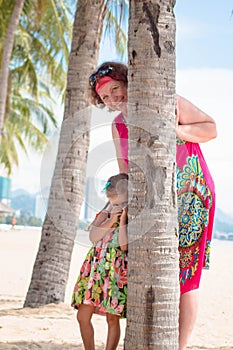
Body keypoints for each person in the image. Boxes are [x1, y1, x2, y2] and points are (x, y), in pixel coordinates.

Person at [88, 61, 217, 350]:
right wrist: (117, 206)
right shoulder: (117, 125)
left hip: (192, 192)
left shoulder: (167, 100)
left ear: (127, 82)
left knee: (186, 275)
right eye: (105, 97)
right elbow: (124, 171)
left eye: (115, 90)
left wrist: (176, 130)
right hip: (150, 201)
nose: (112, 100)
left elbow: (211, 128)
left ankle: (180, 347)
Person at [71, 173, 128, 350]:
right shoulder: (105, 214)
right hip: (95, 270)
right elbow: (93, 236)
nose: (117, 206)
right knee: (82, 316)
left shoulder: (128, 219)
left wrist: (123, 219)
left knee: (112, 318)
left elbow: (124, 246)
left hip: (115, 271)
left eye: (120, 203)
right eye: (114, 202)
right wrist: (111, 219)